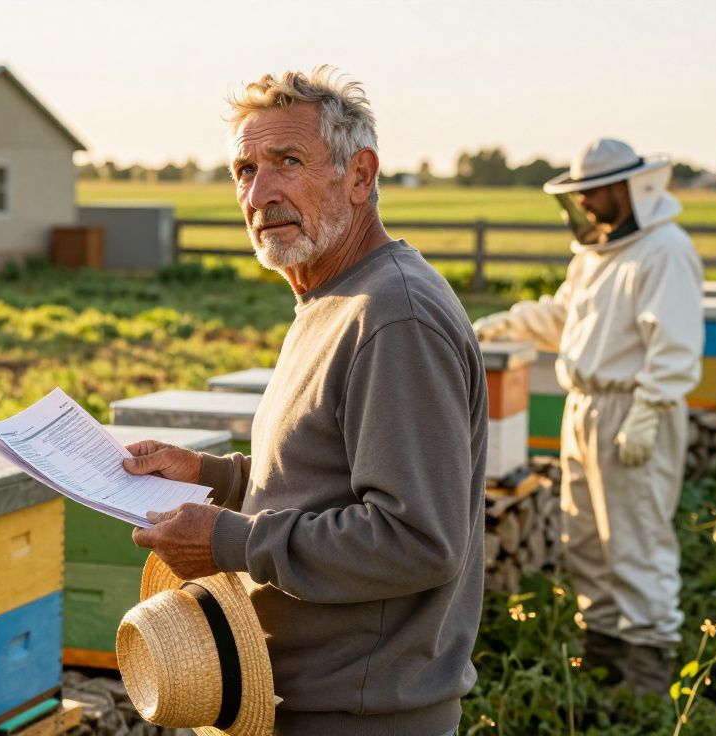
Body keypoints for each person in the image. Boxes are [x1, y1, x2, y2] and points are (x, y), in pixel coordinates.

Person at [122, 67, 486, 736]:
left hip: (363, 717)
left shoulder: (393, 316)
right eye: (245, 170)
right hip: (310, 702)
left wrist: (229, 540)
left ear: (360, 176)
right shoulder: (331, 299)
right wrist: (211, 475)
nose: (260, 193)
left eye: (288, 161)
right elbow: (326, 476)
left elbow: (416, 540)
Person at [472, 138, 703, 695]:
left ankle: (647, 679)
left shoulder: (665, 250)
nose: (583, 205)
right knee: (585, 539)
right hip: (584, 408)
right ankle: (604, 663)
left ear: (626, 189)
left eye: (591, 193)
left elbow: (674, 343)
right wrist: (506, 324)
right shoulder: (595, 255)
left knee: (636, 539)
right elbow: (566, 318)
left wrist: (648, 410)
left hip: (635, 409)